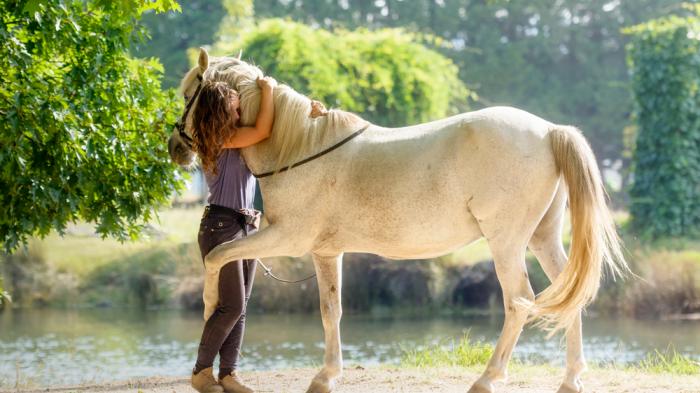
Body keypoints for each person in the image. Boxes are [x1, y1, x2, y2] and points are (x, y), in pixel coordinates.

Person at [189, 76, 276, 393]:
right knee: (232, 306)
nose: (240, 116)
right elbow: (263, 129)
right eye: (235, 110)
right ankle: (201, 372)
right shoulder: (218, 137)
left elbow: (271, 132)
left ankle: (228, 374)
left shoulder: (235, 137)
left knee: (240, 305)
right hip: (221, 225)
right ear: (219, 111)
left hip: (245, 224)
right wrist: (268, 90)